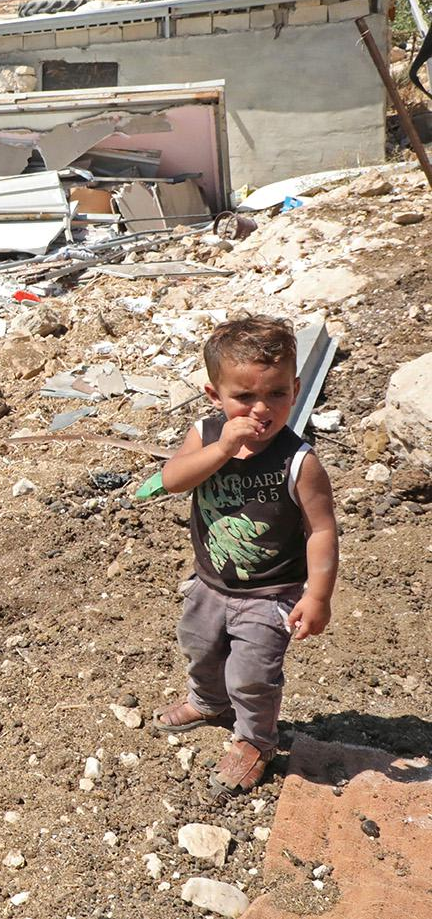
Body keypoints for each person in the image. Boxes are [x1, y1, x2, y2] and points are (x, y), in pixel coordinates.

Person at [152, 315, 338, 795]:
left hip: (270, 592)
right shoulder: (206, 433)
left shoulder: (300, 462)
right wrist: (222, 448)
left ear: (296, 389)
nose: (261, 409)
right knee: (199, 646)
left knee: (253, 675)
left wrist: (318, 596)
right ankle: (208, 701)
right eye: (244, 397)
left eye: (276, 394)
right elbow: (173, 480)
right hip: (210, 582)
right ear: (216, 396)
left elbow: (321, 529)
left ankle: (256, 740)